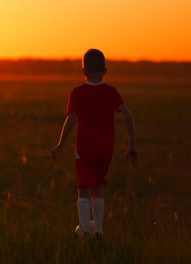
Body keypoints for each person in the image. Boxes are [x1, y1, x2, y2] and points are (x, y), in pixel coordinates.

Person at [51, 49, 138, 239]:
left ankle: (84, 231)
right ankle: (98, 231)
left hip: (85, 150)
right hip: (106, 150)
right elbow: (129, 118)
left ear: (84, 71)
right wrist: (132, 145)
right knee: (98, 187)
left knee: (83, 189)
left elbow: (71, 119)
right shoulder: (112, 92)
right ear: (105, 70)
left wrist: (60, 144)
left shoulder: (77, 93)